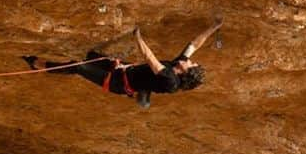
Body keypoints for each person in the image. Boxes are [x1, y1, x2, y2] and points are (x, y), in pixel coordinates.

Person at [23, 18, 221, 108]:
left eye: (192, 65)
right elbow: (194, 44)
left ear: (185, 73)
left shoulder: (171, 81)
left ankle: (38, 65)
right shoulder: (180, 64)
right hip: (122, 70)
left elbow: (151, 61)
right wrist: (213, 27)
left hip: (118, 83)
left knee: (78, 66)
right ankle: (143, 95)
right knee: (91, 56)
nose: (191, 61)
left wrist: (138, 38)